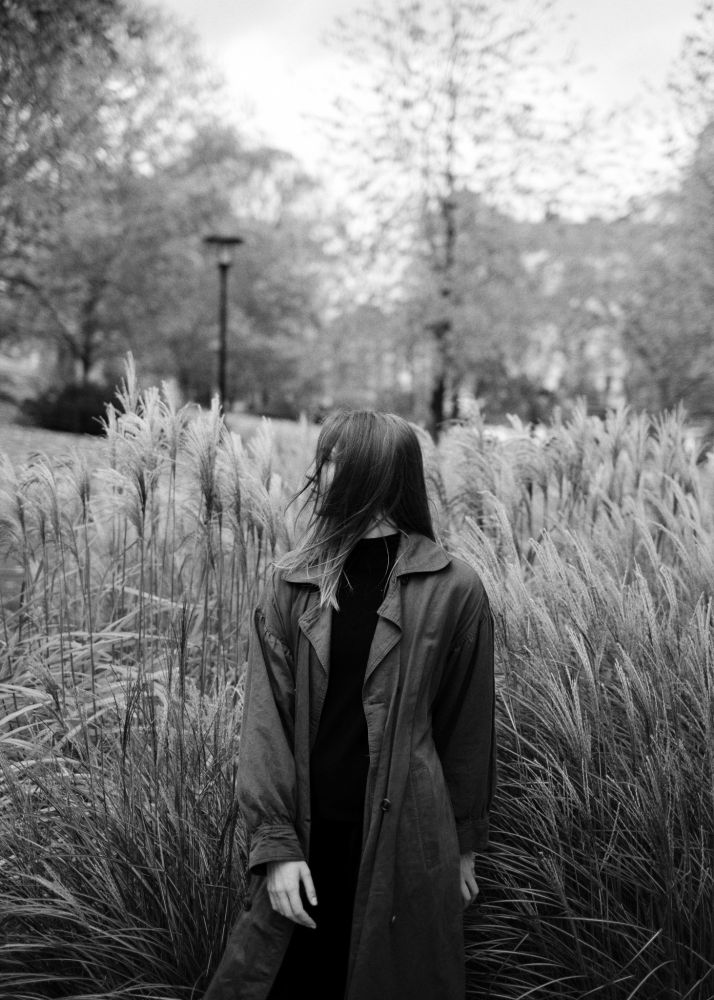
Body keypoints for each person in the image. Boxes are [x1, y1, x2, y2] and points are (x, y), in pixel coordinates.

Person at [203, 410, 496, 1000]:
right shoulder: (294, 582)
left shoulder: (454, 588)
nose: (322, 471)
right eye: (326, 456)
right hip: (310, 836)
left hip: (409, 840)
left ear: (377, 471)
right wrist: (276, 847)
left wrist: (461, 850)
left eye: (336, 458)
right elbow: (267, 723)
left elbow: (467, 728)